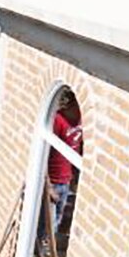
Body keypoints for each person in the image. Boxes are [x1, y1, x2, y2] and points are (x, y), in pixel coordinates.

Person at [47, 87, 83, 232]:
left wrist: (74, 179)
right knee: (48, 224)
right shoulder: (57, 120)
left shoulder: (80, 121)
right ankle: (41, 253)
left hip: (67, 180)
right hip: (53, 181)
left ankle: (49, 252)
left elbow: (78, 148)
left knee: (58, 220)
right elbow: (44, 154)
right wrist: (48, 187)